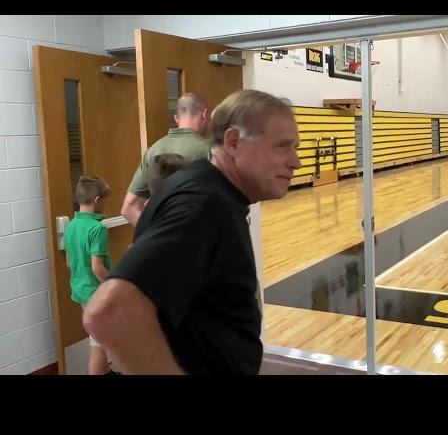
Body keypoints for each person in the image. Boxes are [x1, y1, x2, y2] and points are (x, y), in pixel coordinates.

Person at [83, 89, 302, 375]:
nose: (295, 161)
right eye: (283, 146)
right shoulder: (203, 206)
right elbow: (109, 311)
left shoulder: (203, 187)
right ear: (233, 141)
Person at [121, 93, 211, 227]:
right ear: (205, 114)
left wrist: (155, 236)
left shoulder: (153, 151)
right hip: (200, 239)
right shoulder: (210, 150)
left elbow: (129, 208)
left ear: (176, 118)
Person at [63, 175, 113, 375]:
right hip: (95, 293)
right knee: (98, 347)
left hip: (80, 290)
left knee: (97, 339)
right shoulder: (97, 229)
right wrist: (112, 284)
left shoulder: (72, 226)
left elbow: (69, 262)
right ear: (97, 200)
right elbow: (97, 268)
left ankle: (106, 372)